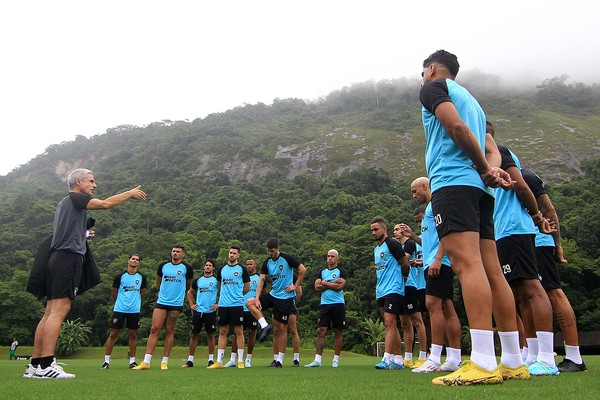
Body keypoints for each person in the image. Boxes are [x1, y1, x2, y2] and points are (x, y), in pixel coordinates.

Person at [419, 50, 524, 386]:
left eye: (423, 72)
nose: (421, 78)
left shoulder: (435, 88)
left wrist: (482, 167)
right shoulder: (475, 102)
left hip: (453, 183)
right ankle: (512, 360)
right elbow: (487, 143)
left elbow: (455, 126)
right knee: (492, 270)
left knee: (467, 265)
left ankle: (481, 360)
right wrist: (488, 169)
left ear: (432, 68)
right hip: (480, 192)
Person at [23, 168, 146, 379]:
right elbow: (105, 204)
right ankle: (46, 364)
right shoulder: (75, 198)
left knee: (50, 312)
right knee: (60, 310)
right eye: (91, 181)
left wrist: (84, 234)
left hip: (57, 258)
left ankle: (35, 365)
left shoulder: (65, 203)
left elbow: (66, 232)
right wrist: (129, 193)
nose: (94, 185)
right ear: (78, 182)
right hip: (67, 259)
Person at [488, 122, 558, 376]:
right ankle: (532, 353)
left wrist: (537, 218)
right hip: (503, 232)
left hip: (516, 228)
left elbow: (521, 186)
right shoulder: (485, 159)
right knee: (518, 293)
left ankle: (548, 358)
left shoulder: (500, 151)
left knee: (531, 287)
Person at [522, 168, 587, 372]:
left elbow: (549, 211)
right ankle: (535, 354)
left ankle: (575, 357)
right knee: (526, 296)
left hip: (540, 242)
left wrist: (557, 244)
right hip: (524, 242)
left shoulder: (527, 177)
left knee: (553, 292)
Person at [400, 177, 462, 374]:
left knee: (433, 305)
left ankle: (434, 357)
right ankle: (454, 357)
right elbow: (430, 239)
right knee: (446, 306)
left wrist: (438, 258)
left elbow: (447, 233)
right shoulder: (428, 209)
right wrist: (413, 237)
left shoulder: (437, 203)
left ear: (425, 187)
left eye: (414, 190)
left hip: (439, 264)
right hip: (433, 263)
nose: (413, 195)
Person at [246, 237, 306, 368]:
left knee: (283, 328)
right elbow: (261, 280)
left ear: (278, 249)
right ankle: (264, 325)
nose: (270, 253)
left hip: (286, 298)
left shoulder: (287, 259)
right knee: (250, 302)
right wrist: (257, 297)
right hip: (273, 295)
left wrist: (295, 286)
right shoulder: (267, 262)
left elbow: (303, 270)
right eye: (268, 251)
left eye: (272, 251)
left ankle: (280, 360)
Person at [133, 244, 194, 370]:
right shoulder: (163, 266)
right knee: (155, 328)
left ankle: (164, 361)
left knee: (169, 330)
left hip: (176, 304)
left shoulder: (187, 268)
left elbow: (189, 285)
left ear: (183, 254)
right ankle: (146, 361)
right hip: (162, 301)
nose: (175, 253)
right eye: (173, 251)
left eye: (178, 251)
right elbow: (158, 282)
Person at [370, 218, 410, 370]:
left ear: (384, 229)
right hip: (381, 290)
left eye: (376, 229)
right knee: (390, 324)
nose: (374, 233)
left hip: (394, 288)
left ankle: (386, 358)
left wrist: (403, 279)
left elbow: (404, 262)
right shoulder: (376, 249)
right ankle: (398, 359)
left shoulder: (392, 244)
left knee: (389, 322)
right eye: (372, 230)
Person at [101, 254, 147, 369]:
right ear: (128, 261)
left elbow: (142, 292)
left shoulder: (142, 277)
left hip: (134, 310)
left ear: (139, 263)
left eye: (137, 260)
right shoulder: (120, 276)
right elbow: (114, 292)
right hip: (120, 309)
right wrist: (121, 302)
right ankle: (106, 361)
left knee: (133, 334)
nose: (135, 261)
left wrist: (134, 302)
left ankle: (132, 361)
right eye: (133, 259)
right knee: (113, 334)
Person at [208, 245, 250, 369]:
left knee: (239, 331)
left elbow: (247, 287)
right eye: (230, 253)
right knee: (222, 332)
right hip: (223, 305)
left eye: (234, 253)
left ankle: (240, 360)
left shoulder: (242, 269)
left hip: (236, 304)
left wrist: (237, 295)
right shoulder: (222, 270)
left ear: (238, 255)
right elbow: (219, 285)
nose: (231, 255)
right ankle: (219, 361)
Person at [393, 222, 428, 368]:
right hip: (399, 287)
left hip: (410, 286)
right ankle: (407, 358)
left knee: (417, 321)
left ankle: (423, 356)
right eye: (393, 230)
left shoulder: (410, 244)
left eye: (397, 229)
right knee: (405, 323)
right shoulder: (397, 247)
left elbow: (403, 260)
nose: (394, 232)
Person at [305, 249, 347, 368]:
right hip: (325, 304)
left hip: (338, 304)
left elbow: (340, 287)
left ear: (337, 258)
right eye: (328, 256)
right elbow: (317, 287)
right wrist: (332, 283)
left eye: (332, 256)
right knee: (320, 331)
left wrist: (325, 283)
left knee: (338, 331)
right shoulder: (321, 272)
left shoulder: (341, 271)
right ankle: (317, 360)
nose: (330, 258)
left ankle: (336, 360)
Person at [182, 258, 219, 368]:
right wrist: (192, 304)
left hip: (210, 311)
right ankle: (190, 360)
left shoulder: (216, 281)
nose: (207, 267)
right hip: (198, 311)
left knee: (210, 335)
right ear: (204, 267)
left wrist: (218, 304)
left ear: (213, 268)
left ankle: (211, 360)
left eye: (210, 265)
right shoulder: (198, 280)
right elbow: (190, 293)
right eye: (206, 265)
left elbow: (224, 292)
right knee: (194, 335)